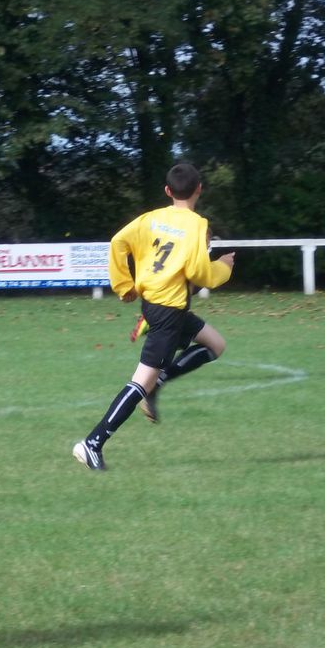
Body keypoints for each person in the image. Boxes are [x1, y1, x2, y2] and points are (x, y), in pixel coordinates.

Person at [72, 162, 235, 471]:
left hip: (156, 304)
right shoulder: (197, 225)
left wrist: (124, 286)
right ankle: (92, 442)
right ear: (199, 189)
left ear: (167, 191)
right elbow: (200, 272)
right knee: (139, 383)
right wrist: (224, 266)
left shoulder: (151, 219)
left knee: (215, 345)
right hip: (169, 312)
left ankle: (160, 380)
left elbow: (118, 242)